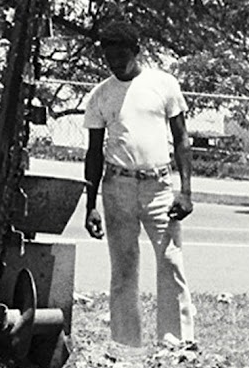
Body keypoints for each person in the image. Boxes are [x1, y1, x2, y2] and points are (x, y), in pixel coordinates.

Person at [82, 20, 196, 348]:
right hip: (117, 186)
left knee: (171, 261)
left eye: (122, 56)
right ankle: (125, 344)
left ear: (137, 51)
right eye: (109, 58)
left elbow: (181, 138)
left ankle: (177, 342)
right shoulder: (100, 95)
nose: (116, 63)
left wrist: (185, 191)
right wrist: (91, 205)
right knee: (123, 268)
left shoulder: (163, 84)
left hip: (158, 186)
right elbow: (93, 152)